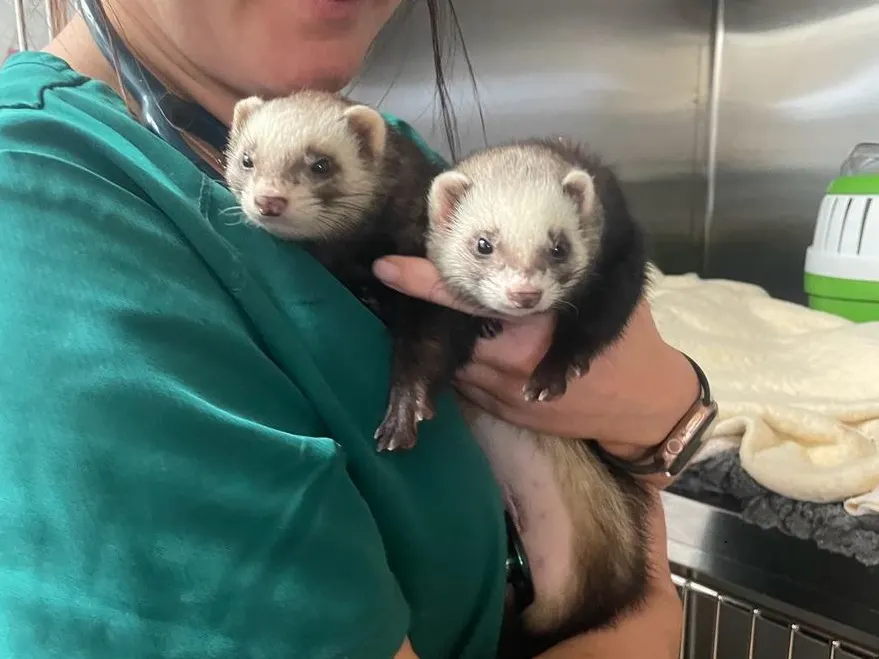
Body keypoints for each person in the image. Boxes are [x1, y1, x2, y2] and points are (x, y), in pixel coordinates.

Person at [0, 0, 693, 656]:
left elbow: (632, 572)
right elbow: (647, 616)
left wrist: (668, 412)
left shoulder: (394, 168)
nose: (272, 193)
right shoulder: (46, 208)